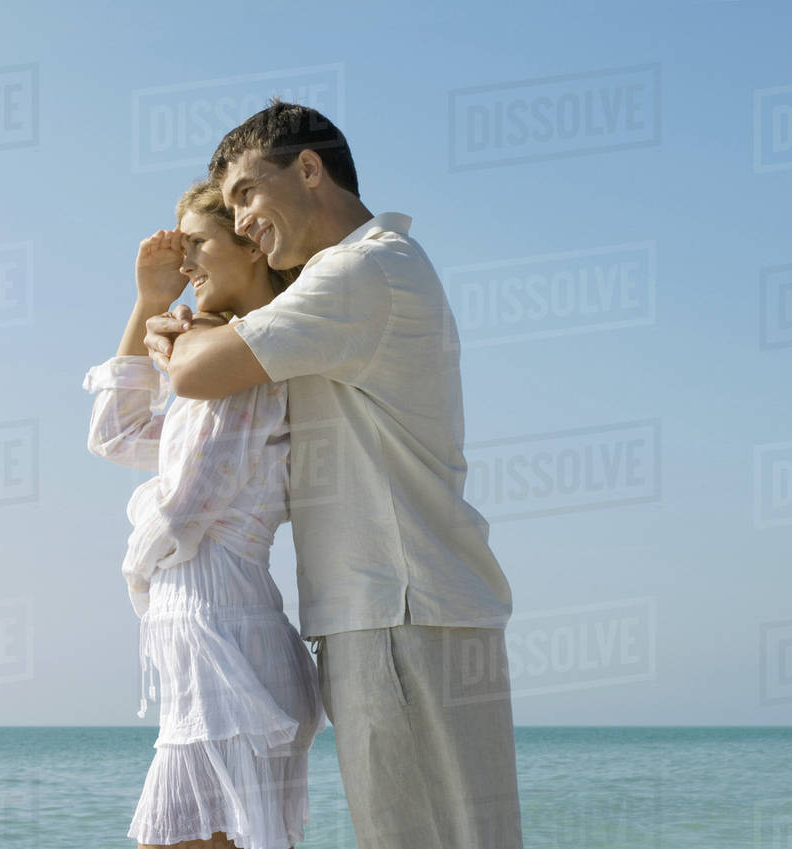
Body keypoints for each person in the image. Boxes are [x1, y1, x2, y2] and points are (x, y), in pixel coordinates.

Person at [144, 100, 524, 848]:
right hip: (401, 610)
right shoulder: (362, 274)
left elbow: (199, 371)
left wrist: (170, 329)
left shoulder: (361, 270)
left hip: (398, 610)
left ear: (309, 169)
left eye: (248, 192)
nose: (243, 220)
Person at [84, 180, 325, 849]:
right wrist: (147, 305)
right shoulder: (216, 355)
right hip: (219, 644)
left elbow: (187, 506)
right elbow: (114, 434)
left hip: (228, 646)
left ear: (252, 243)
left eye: (198, 245)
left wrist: (135, 571)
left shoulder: (249, 359)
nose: (185, 264)